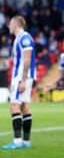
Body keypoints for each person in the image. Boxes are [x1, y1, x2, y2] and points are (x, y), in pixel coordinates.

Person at [2, 16, 36, 150]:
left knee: (14, 106)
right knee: (25, 107)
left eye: (10, 24)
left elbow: (27, 60)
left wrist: (22, 80)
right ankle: (26, 142)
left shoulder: (24, 37)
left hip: (22, 77)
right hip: (24, 76)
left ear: (15, 24)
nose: (9, 27)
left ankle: (17, 141)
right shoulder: (20, 38)